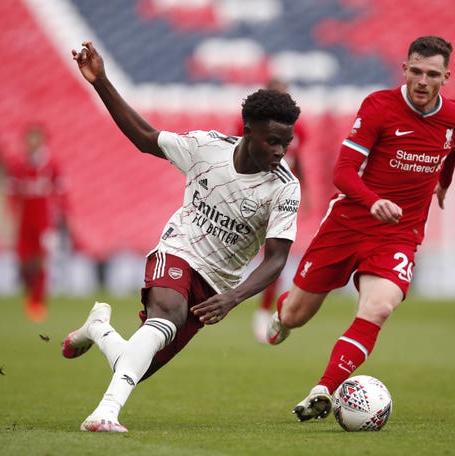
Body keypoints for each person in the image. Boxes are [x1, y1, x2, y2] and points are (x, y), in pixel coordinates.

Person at [62, 41, 301, 433]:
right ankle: (105, 413)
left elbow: (276, 258)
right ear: (247, 131)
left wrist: (233, 298)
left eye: (285, 143)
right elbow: (144, 137)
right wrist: (101, 81)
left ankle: (98, 328)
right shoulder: (206, 148)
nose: (279, 151)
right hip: (176, 251)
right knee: (167, 316)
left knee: (133, 364)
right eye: (272, 141)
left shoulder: (284, 187)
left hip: (215, 286)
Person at [266, 36, 455, 422]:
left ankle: (322, 389)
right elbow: (342, 172)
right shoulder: (379, 107)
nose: (422, 81)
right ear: (404, 70)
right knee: (295, 316)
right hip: (349, 222)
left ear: (446, 76)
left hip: (399, 232)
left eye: (432, 74)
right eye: (416, 71)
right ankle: (283, 310)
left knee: (379, 307)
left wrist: (444, 182)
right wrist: (374, 200)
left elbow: (453, 148)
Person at [233, 78, 309, 343]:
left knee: (275, 254)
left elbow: (298, 160)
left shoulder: (298, 128)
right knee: (242, 247)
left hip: (281, 193)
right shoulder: (251, 124)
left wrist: (305, 191)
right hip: (254, 192)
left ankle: (264, 311)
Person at [7, 125, 68, 322]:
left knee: (41, 261)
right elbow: (12, 192)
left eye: (35, 139)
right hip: (25, 220)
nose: (31, 143)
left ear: (42, 141)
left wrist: (62, 216)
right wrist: (11, 211)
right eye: (28, 139)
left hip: (44, 222)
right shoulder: (18, 165)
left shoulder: (51, 165)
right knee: (24, 262)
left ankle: (37, 302)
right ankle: (30, 293)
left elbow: (61, 193)